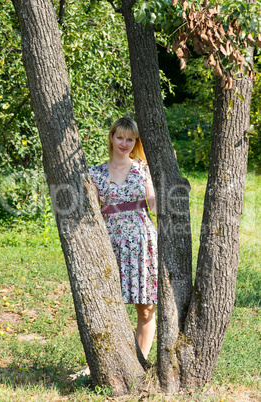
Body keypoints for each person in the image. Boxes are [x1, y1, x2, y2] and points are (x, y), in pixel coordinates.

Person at [89, 117, 158, 360]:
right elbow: (91, 212)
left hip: (142, 240)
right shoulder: (94, 173)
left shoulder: (144, 168)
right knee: (106, 306)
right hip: (109, 241)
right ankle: (105, 363)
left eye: (130, 139)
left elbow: (154, 205)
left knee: (146, 306)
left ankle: (140, 361)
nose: (124, 143)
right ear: (111, 137)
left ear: (135, 141)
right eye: (120, 137)